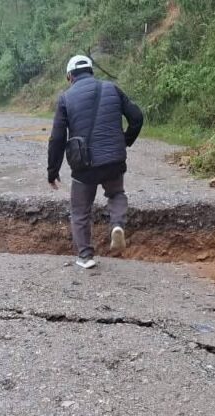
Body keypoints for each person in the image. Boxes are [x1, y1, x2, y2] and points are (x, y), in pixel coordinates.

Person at [48, 55, 144, 269]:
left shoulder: (66, 98)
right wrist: (124, 142)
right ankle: (117, 225)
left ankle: (85, 256)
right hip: (114, 160)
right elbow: (137, 117)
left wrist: (52, 171)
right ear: (91, 71)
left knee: (80, 210)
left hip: (84, 165)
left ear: (70, 76)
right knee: (116, 194)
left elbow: (57, 138)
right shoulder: (112, 88)